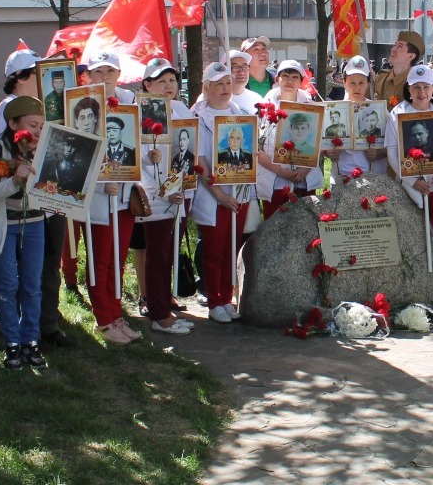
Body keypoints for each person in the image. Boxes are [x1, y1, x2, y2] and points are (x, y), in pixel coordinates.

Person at [0, 96, 48, 370]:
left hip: (35, 223)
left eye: (41, 126)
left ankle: (31, 340)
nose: (38, 132)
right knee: (6, 285)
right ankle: (12, 342)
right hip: (4, 225)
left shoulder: (45, 150)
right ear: (14, 124)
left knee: (32, 285)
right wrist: (14, 183)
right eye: (32, 125)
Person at [386, 64, 433, 306]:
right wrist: (413, 180)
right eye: (416, 87)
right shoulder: (397, 115)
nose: (421, 92)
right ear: (408, 89)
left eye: (426, 87)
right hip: (412, 189)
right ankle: (417, 288)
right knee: (414, 240)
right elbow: (392, 152)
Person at [79, 50, 140, 346]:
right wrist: (102, 182)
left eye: (110, 72)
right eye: (98, 72)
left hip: (124, 197)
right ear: (89, 76)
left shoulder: (130, 101)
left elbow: (136, 146)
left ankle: (115, 314)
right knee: (100, 260)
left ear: (119, 74)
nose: (105, 78)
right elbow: (77, 153)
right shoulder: (81, 105)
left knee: (117, 259)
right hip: (98, 197)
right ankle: (103, 318)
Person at [136, 57, 195, 336]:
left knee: (169, 252)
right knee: (157, 253)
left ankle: (165, 306)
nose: (169, 85)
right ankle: (159, 314)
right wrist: (166, 190)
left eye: (172, 80)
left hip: (180, 193)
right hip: (156, 196)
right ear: (147, 85)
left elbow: (189, 150)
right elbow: (141, 161)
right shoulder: (141, 112)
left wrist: (184, 186)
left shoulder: (181, 108)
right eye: (161, 81)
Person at [192, 62, 253, 324]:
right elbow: (200, 162)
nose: (225, 88)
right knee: (214, 250)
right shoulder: (198, 117)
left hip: (238, 193)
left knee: (232, 248)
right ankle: (214, 300)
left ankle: (227, 297)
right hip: (213, 196)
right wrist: (219, 195)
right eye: (218, 84)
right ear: (206, 88)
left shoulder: (239, 113)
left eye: (228, 83)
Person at [256, 60, 324, 218]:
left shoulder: (312, 107)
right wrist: (282, 171)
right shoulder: (264, 107)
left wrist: (305, 169)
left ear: (301, 82)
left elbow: (320, 143)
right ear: (277, 79)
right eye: (285, 76)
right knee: (274, 225)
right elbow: (256, 148)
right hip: (274, 180)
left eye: (295, 77)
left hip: (304, 179)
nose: (289, 81)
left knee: (305, 224)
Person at [322, 56, 387, 188]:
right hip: (341, 178)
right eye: (352, 83)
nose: (357, 87)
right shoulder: (331, 111)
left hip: (372, 178)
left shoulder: (380, 111)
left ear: (368, 83)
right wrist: (328, 152)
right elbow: (321, 147)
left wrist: (378, 153)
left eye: (361, 82)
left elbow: (393, 146)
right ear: (344, 83)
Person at [0, 49, 40, 139]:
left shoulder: (34, 105)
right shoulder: (7, 107)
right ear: (21, 77)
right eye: (38, 71)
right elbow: (1, 145)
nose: (43, 76)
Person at [374, 31, 424, 105]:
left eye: (399, 46)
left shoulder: (416, 84)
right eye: (395, 45)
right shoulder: (381, 78)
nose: (393, 49)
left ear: (411, 56)